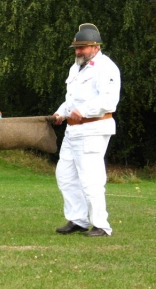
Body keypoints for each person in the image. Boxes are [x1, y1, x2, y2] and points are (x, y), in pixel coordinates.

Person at [52, 23, 121, 237]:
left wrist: (84, 110)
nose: (78, 51)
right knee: (64, 175)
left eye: (82, 47)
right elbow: (70, 101)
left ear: (95, 46)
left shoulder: (106, 67)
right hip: (72, 131)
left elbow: (109, 100)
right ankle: (78, 220)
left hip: (93, 128)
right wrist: (59, 113)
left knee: (91, 179)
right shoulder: (76, 67)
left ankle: (101, 225)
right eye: (76, 47)